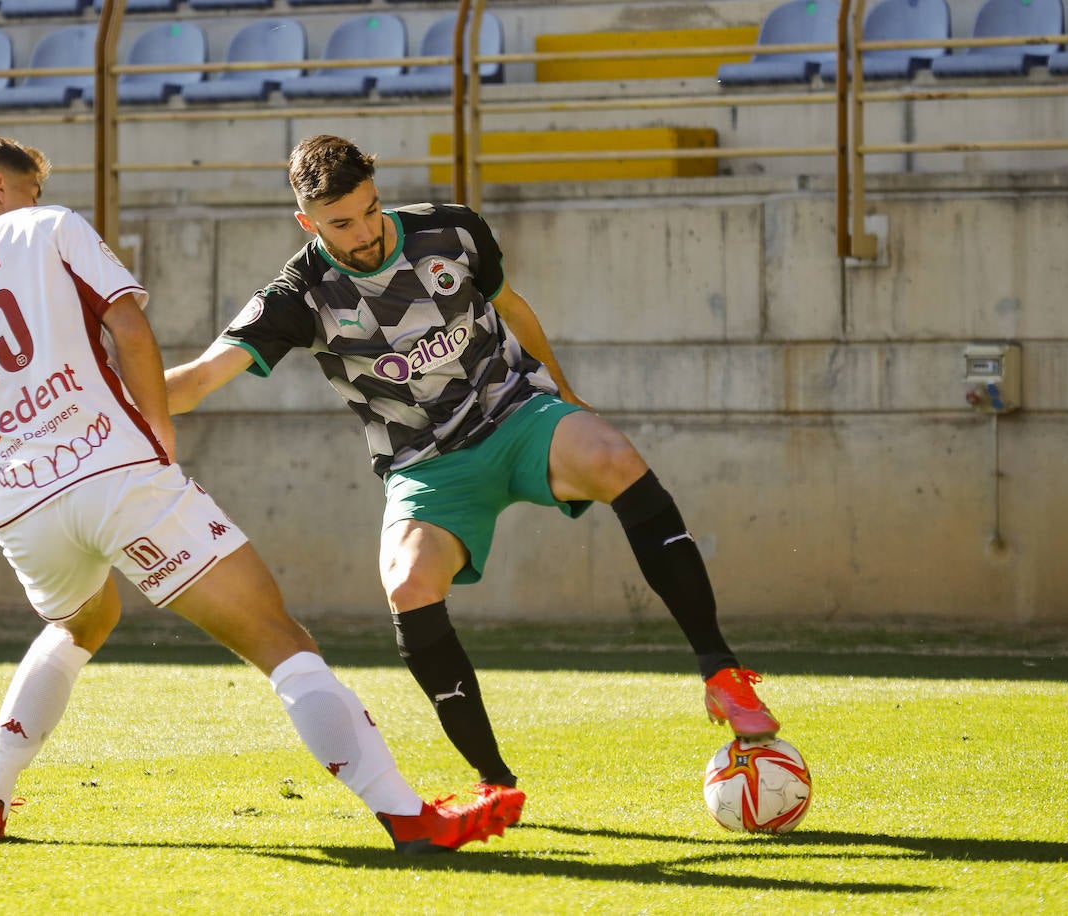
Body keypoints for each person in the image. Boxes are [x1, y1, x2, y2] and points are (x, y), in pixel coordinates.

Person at [0, 135, 524, 853]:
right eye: (28, 188)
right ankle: (408, 817)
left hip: (25, 506)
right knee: (278, 638)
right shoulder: (47, 226)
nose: (32, 198)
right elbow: (127, 325)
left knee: (79, 624)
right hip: (116, 470)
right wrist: (156, 438)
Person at [164, 134, 782, 793]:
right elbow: (201, 378)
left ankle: (721, 673)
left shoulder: (450, 231)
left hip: (515, 415)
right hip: (424, 467)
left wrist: (565, 394)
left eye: (371, 210)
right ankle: (497, 785)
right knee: (408, 587)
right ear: (307, 222)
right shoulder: (298, 294)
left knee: (613, 456)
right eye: (341, 223)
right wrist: (110, 399)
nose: (366, 232)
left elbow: (512, 308)